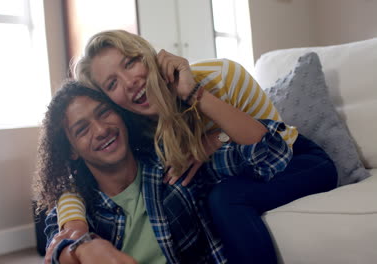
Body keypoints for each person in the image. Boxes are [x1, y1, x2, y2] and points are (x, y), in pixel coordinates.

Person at [55, 30, 338, 263]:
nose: (130, 83)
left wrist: (202, 111)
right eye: (112, 83)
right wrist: (74, 228)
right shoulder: (132, 128)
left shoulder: (221, 77)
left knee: (225, 197)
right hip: (240, 167)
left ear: (149, 56)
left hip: (292, 157)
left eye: (130, 63)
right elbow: (73, 182)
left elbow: (274, 146)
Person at [33, 80, 293, 264]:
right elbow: (56, 250)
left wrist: (218, 137)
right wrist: (87, 246)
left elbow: (272, 152)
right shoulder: (75, 206)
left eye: (104, 113)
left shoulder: (177, 166)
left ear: (121, 115)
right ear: (71, 151)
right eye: (82, 129)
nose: (101, 130)